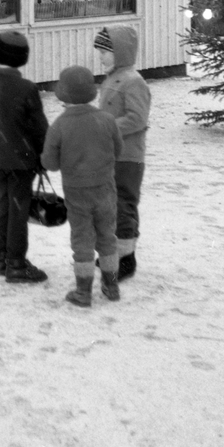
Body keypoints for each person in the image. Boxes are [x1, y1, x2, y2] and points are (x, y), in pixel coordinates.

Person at [41, 65, 123, 307]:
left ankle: (83, 292)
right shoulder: (107, 120)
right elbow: (118, 150)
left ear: (63, 94)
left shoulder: (59, 125)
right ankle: (112, 285)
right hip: (106, 189)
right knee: (108, 237)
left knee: (82, 240)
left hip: (76, 193)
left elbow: (51, 164)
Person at [0, 30, 49, 284]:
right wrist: (43, 156)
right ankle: (16, 263)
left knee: (4, 204)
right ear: (23, 58)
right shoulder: (27, 88)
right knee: (19, 209)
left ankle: (0, 259)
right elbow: (39, 128)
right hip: (22, 159)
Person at [94, 26, 151, 280]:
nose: (101, 56)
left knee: (123, 204)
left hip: (128, 155)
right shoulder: (112, 78)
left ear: (120, 51)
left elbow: (137, 119)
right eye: (100, 51)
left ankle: (126, 258)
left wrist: (106, 126)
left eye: (105, 51)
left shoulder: (133, 81)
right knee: (110, 205)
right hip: (111, 153)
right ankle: (113, 253)